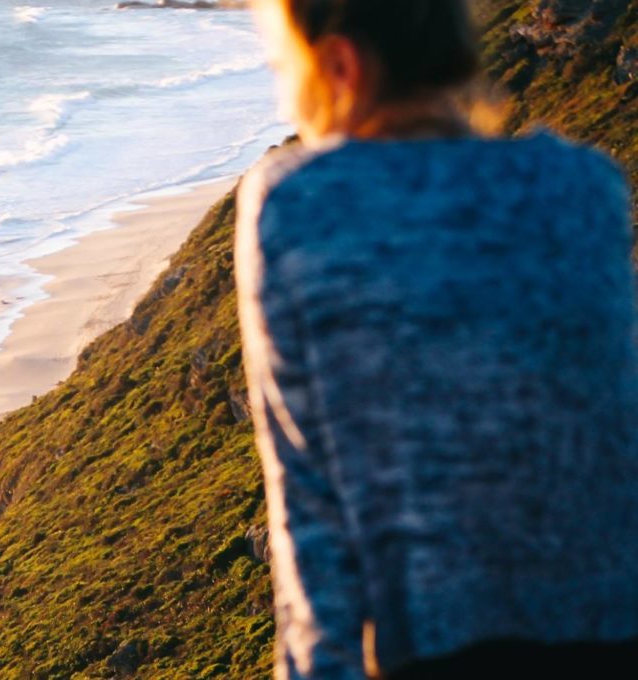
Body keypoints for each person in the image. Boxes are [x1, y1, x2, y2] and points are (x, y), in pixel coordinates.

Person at [234, 0, 638, 678]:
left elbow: (310, 514)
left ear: (341, 66)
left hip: (441, 645)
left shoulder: (301, 205)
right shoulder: (585, 185)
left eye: (283, 70)